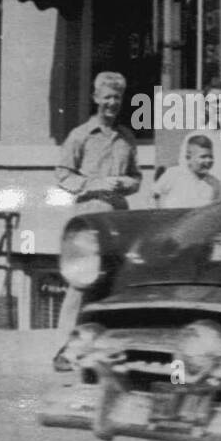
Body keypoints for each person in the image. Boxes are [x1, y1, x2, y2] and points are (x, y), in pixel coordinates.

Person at [52, 70, 141, 367]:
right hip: (88, 218)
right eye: (106, 97)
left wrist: (126, 183)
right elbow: (62, 175)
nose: (112, 103)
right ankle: (66, 349)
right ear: (95, 99)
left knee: (114, 281)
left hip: (118, 218)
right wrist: (92, 184)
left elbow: (136, 177)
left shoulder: (127, 137)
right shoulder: (79, 135)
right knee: (80, 282)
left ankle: (105, 347)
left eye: (117, 98)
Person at [152, 134, 221, 209]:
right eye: (203, 157)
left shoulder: (215, 183)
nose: (208, 160)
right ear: (188, 158)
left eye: (211, 157)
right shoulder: (174, 174)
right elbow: (155, 194)